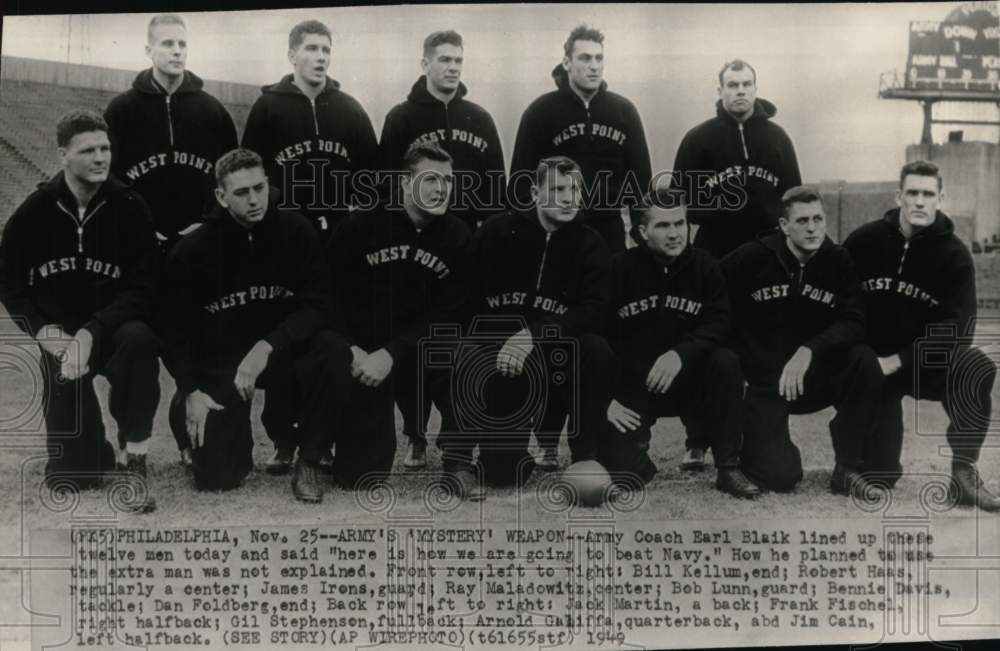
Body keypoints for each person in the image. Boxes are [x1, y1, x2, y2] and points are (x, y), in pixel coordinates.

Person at [160, 148, 352, 503]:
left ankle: (309, 458)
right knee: (218, 476)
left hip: (281, 352)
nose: (254, 200)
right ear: (220, 196)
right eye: (241, 192)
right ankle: (183, 415)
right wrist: (191, 389)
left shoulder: (295, 229)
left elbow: (320, 304)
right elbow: (173, 329)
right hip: (224, 362)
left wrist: (267, 345)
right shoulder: (193, 249)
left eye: (259, 188)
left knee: (333, 350)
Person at [0, 110, 161, 512]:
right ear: (63, 155)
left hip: (116, 330)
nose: (101, 157)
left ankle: (133, 455)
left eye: (105, 148)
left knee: (140, 341)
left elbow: (146, 287)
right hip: (61, 339)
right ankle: (92, 448)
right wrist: (44, 332)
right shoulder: (34, 212)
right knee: (73, 475)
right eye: (88, 150)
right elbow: (11, 286)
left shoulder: (130, 206)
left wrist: (92, 331)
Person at [104, 13, 239, 468]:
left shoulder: (212, 110)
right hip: (142, 250)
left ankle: (189, 440)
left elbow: (231, 177)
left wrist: (206, 223)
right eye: (166, 44)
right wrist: (142, 229)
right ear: (148, 51)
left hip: (197, 247)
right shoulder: (121, 110)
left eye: (182, 43)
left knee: (196, 346)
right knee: (138, 346)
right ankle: (130, 438)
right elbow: (111, 181)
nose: (176, 51)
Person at [378, 30, 506, 469]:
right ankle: (414, 433)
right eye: (445, 59)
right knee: (409, 339)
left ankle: (459, 440)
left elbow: (496, 191)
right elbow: (386, 184)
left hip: (464, 246)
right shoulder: (400, 117)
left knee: (457, 344)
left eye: (459, 61)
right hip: (410, 246)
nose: (453, 67)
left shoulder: (480, 118)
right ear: (425, 63)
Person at [843, 160, 1000, 511]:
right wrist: (863, 359)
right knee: (880, 476)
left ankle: (963, 473)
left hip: (920, 364)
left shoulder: (955, 255)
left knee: (975, 365)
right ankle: (851, 461)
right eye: (912, 192)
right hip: (873, 366)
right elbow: (840, 302)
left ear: (940, 198)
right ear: (899, 195)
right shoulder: (864, 241)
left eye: (927, 194)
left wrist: (900, 359)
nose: (919, 201)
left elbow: (957, 331)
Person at [456, 155, 615, 499]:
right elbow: (467, 304)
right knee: (503, 474)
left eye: (575, 189)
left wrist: (533, 335)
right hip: (504, 360)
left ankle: (586, 455)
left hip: (557, 353)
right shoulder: (496, 231)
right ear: (534, 192)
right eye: (558, 189)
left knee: (595, 350)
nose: (569, 198)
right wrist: (509, 339)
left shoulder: (590, 243)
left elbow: (594, 310)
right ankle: (478, 456)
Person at [672, 59, 801, 469]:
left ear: (756, 88)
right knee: (710, 343)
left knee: (765, 342)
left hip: (766, 256)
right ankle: (697, 439)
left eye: (747, 84)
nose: (740, 91)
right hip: (716, 255)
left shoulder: (778, 138)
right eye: (732, 84)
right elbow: (682, 204)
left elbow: (793, 200)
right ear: (720, 90)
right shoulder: (698, 139)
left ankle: (765, 433)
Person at [328, 142, 472, 489]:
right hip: (367, 356)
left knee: (465, 355)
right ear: (406, 183)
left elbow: (451, 313)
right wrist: (352, 349)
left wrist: (393, 352)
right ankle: (320, 449)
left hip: (419, 349)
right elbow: (329, 296)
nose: (441, 190)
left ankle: (458, 460)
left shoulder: (458, 236)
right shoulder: (361, 225)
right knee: (359, 478)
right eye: (431, 180)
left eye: (448, 181)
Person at [721, 186, 880, 496]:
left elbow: (855, 321)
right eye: (803, 220)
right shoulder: (751, 258)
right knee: (779, 477)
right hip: (767, 381)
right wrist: (745, 362)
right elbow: (717, 306)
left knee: (863, 359)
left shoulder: (838, 260)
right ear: (783, 226)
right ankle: (751, 450)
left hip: (817, 375)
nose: (812, 228)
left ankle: (847, 467)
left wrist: (810, 349)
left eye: (818, 219)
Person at [601, 190, 760, 498]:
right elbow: (599, 336)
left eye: (680, 223)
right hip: (638, 386)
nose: (674, 234)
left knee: (725, 361)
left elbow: (720, 323)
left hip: (692, 382)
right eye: (662, 226)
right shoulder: (618, 269)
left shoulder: (705, 266)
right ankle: (635, 456)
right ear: (642, 231)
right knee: (625, 474)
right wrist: (607, 396)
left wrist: (680, 353)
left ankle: (728, 466)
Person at [510, 25, 651, 254]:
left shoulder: (624, 111)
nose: (594, 66)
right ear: (567, 63)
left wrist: (641, 238)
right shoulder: (541, 112)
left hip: (609, 231)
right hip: (557, 229)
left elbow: (641, 181)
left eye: (599, 58)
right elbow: (521, 182)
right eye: (585, 58)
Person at [242, 19, 378, 243]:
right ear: (292, 56)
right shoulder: (267, 107)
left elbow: (370, 173)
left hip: (342, 233)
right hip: (282, 232)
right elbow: (251, 172)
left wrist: (358, 219)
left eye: (326, 50)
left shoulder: (351, 109)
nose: (321, 57)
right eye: (312, 48)